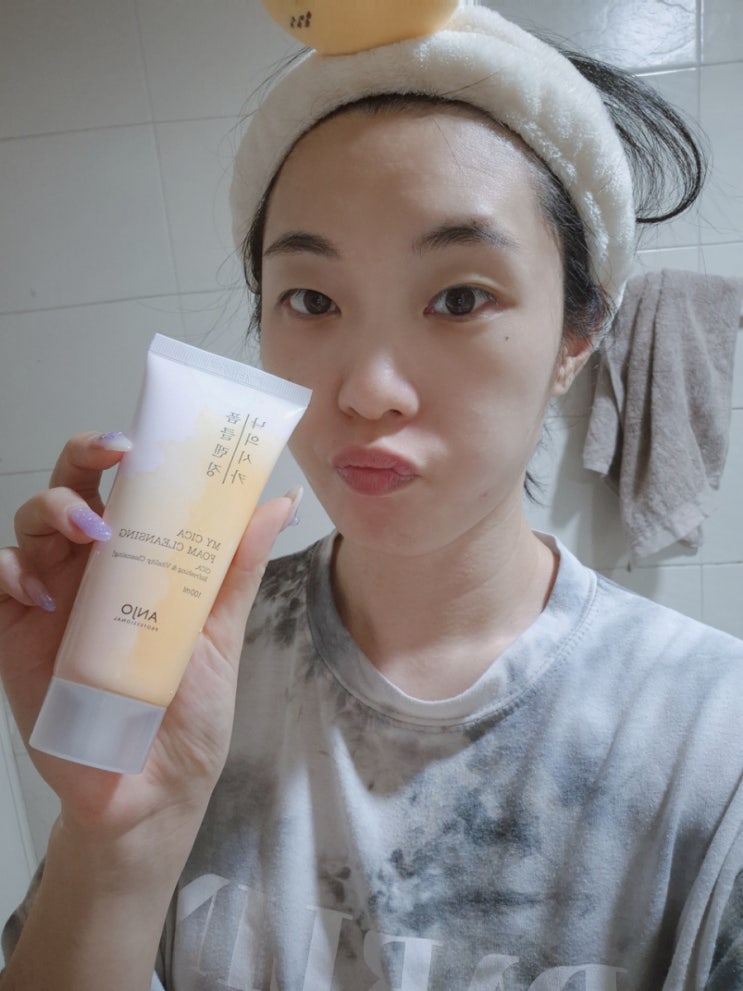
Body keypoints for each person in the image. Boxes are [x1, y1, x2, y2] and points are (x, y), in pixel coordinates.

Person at [1, 3, 741, 989]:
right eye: (311, 300)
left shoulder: (710, 744)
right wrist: (111, 840)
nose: (366, 390)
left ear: (576, 335)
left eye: (459, 297)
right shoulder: (180, 667)